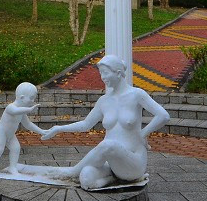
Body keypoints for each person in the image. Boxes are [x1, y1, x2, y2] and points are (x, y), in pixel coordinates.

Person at [38, 54, 170, 190]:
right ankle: (111, 179)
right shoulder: (104, 101)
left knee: (108, 145)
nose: (103, 78)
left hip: (132, 162)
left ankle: (72, 172)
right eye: (101, 74)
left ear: (118, 73)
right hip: (111, 163)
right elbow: (86, 124)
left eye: (106, 73)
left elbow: (163, 116)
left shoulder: (136, 95)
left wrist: (142, 134)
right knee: (86, 178)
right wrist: (58, 129)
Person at [0, 81, 47, 177]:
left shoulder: (22, 112)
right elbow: (15, 111)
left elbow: (28, 125)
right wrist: (29, 110)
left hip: (10, 134)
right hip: (0, 132)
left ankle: (12, 167)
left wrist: (42, 131)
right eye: (31, 98)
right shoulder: (11, 107)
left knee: (16, 148)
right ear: (22, 98)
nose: (33, 100)